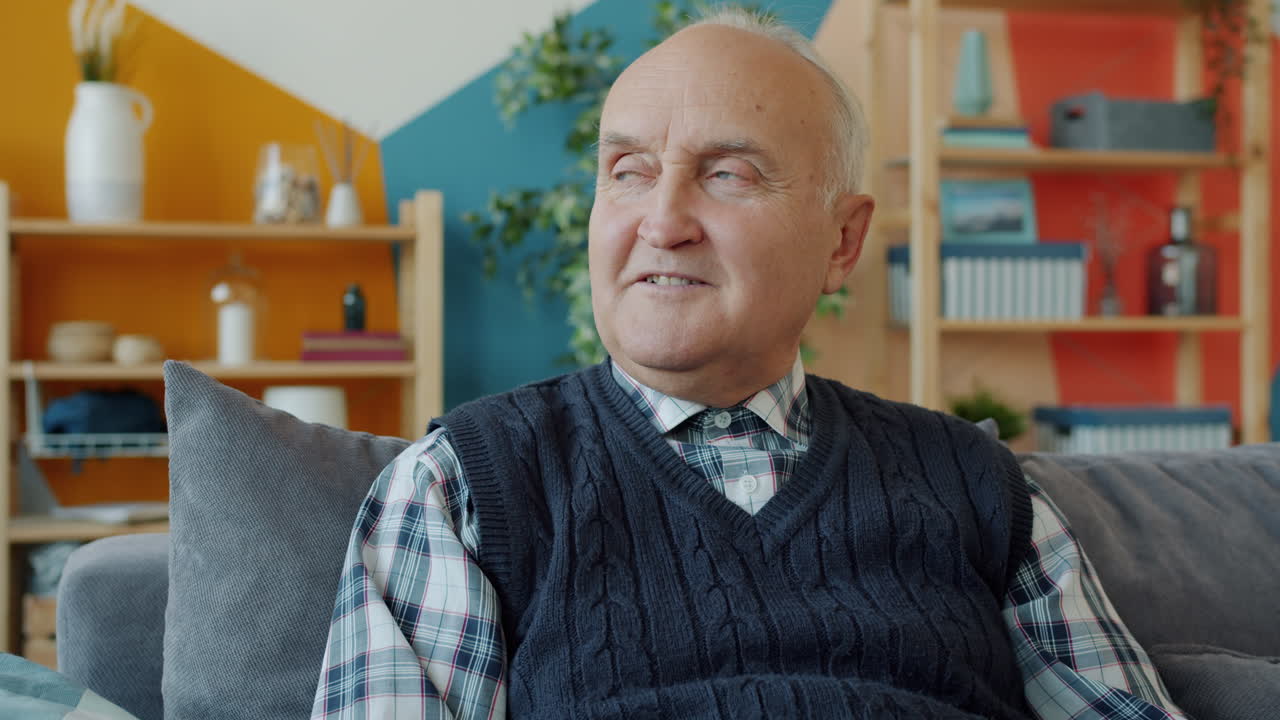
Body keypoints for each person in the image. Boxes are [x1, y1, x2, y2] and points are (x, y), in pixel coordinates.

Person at [312, 8, 1187, 719]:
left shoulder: (978, 489)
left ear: (842, 241)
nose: (661, 221)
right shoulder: (464, 484)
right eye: (627, 171)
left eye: (727, 174)